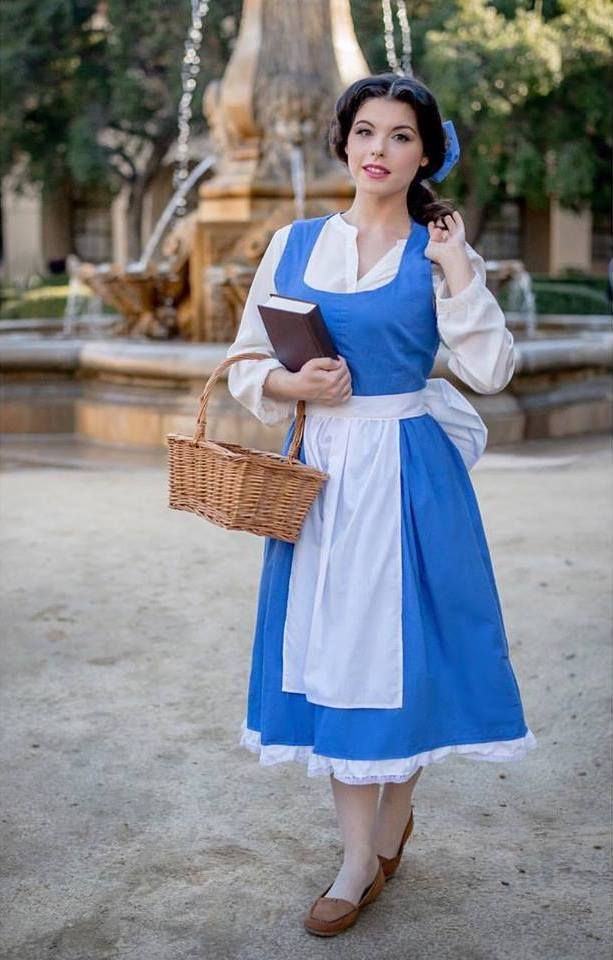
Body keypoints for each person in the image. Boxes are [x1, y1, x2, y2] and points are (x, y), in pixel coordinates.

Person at [225, 72, 537, 938]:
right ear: (344, 141)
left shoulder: (436, 254)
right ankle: (361, 855)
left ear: (425, 154)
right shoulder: (293, 243)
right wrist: (293, 380)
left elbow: (491, 370)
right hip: (321, 474)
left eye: (401, 136)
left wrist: (457, 270)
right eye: (366, 131)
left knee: (407, 656)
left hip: (408, 474)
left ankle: (379, 841)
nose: (379, 150)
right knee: (337, 654)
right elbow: (248, 362)